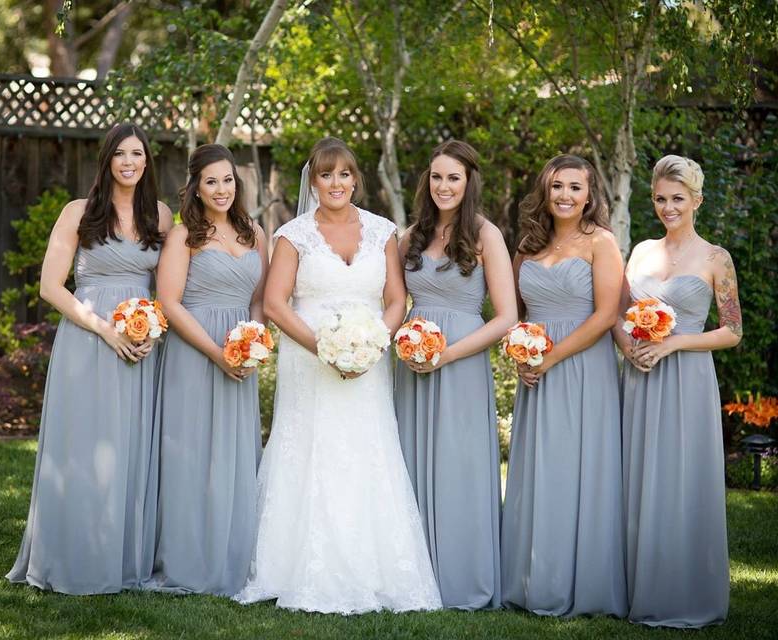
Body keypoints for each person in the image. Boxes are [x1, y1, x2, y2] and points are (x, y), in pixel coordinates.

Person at [234, 137, 441, 614]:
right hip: (310, 361)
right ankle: (293, 567)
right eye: (326, 174)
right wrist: (323, 349)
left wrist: (373, 345)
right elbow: (274, 303)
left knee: (369, 450)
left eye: (344, 173)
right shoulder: (293, 234)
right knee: (312, 451)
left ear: (356, 179)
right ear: (313, 181)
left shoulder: (383, 230)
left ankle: (376, 568)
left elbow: (395, 300)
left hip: (368, 361)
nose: (336, 183)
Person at [7, 122, 173, 594]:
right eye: (120, 154)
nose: (129, 162)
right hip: (87, 340)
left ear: (147, 161)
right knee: (82, 445)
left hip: (141, 349)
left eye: (137, 154)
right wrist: (105, 330)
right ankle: (73, 556)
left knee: (131, 448)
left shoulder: (161, 216)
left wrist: (152, 333)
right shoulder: (78, 212)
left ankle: (123, 560)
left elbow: (167, 288)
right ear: (106, 160)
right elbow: (50, 286)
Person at [615, 155, 741, 628]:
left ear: (697, 201)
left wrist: (674, 344)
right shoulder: (641, 252)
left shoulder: (716, 259)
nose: (669, 207)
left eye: (678, 199)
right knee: (639, 475)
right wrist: (630, 348)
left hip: (687, 377)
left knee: (682, 478)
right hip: (640, 376)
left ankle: (685, 591)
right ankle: (636, 585)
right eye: (661, 199)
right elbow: (620, 313)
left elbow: (731, 331)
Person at [500, 154, 627, 617]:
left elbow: (605, 315)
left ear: (590, 195)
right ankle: (534, 579)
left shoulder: (602, 243)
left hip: (583, 368)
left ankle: (581, 583)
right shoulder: (526, 247)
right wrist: (521, 357)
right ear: (545, 191)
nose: (566, 195)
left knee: (580, 467)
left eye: (575, 187)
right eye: (557, 186)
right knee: (539, 469)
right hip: (537, 375)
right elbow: (515, 316)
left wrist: (551, 356)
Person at [394, 140, 517, 609]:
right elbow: (390, 301)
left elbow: (505, 316)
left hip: (460, 362)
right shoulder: (411, 237)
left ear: (469, 183)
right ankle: (413, 575)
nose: (443, 186)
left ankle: (463, 578)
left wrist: (446, 355)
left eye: (454, 178)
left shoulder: (486, 236)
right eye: (437, 176)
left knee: (459, 465)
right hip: (413, 362)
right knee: (410, 459)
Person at [146, 144, 269, 597]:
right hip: (195, 352)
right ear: (196, 188)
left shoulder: (254, 232)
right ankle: (187, 558)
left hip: (240, 354)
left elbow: (259, 298)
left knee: (234, 455)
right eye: (211, 181)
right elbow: (169, 303)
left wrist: (252, 342)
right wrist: (217, 353)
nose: (221, 189)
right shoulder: (183, 236)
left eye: (228, 180)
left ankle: (233, 554)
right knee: (191, 454)